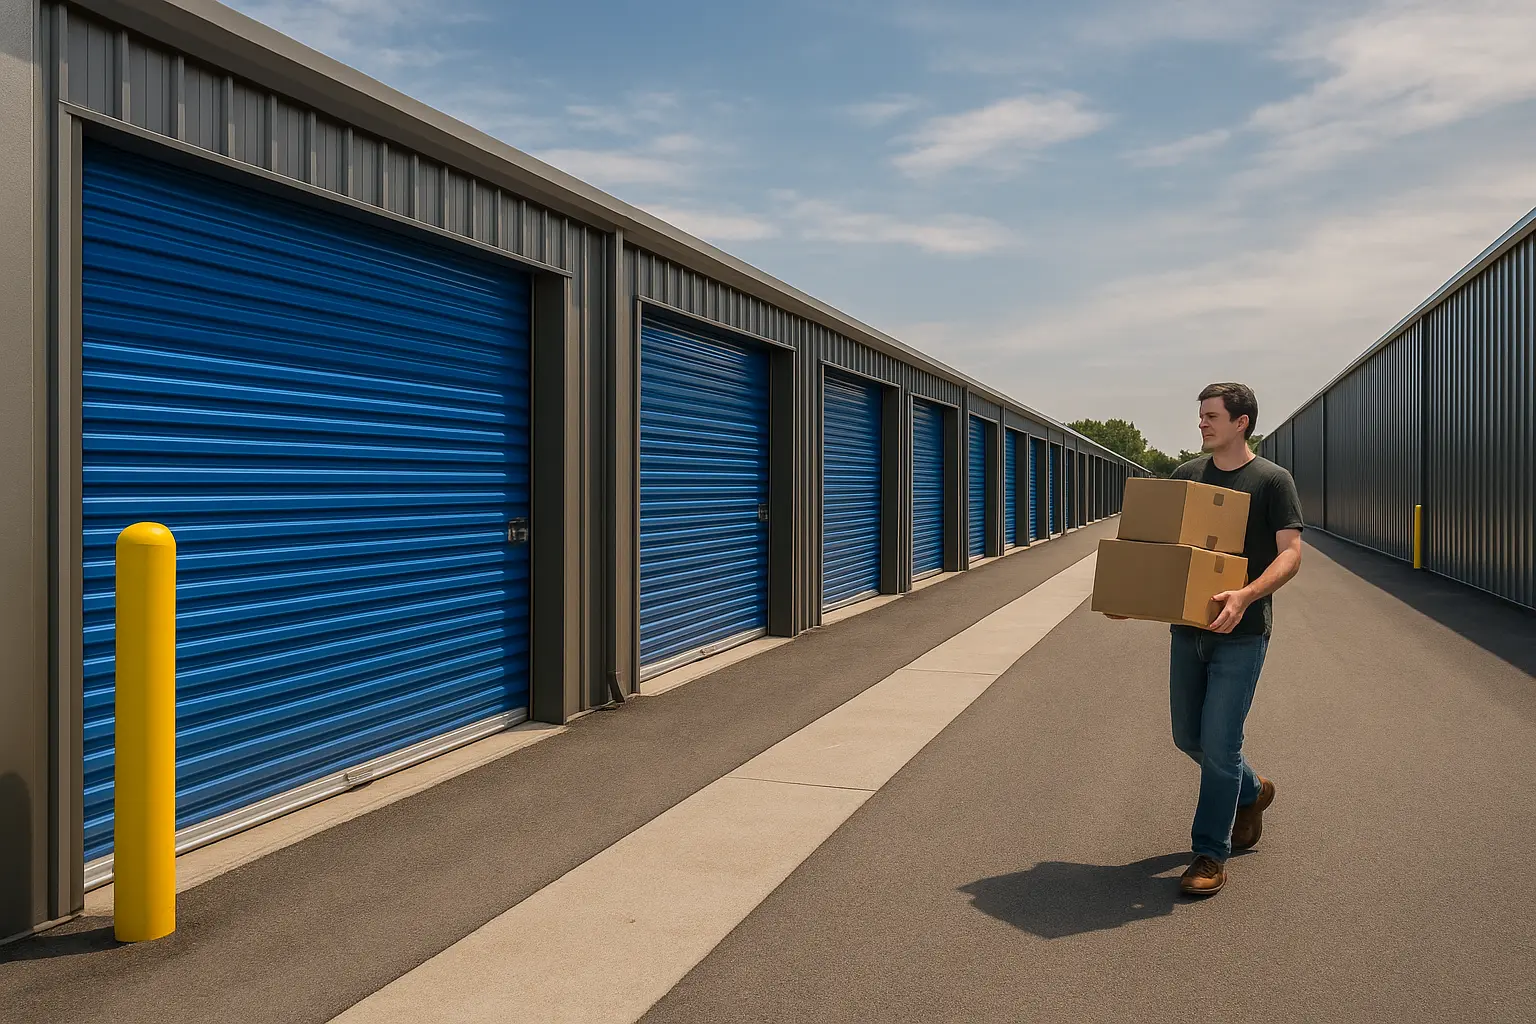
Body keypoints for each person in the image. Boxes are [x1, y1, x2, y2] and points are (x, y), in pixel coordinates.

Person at [1107, 383, 1305, 897]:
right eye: (1200, 416)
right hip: (1188, 630)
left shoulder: (1271, 481)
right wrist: (1131, 596)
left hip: (1242, 633)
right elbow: (1160, 551)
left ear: (1242, 422)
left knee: (1220, 744)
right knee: (1187, 738)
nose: (1202, 423)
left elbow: (1291, 553)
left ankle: (1209, 853)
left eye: (1212, 416)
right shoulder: (1187, 477)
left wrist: (1245, 594)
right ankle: (1253, 789)